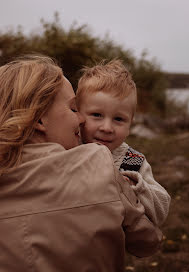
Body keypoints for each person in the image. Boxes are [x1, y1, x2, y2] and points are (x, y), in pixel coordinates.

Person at [0, 54, 162, 272]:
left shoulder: (132, 160)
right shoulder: (97, 164)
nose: (82, 120)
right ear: (39, 119)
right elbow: (148, 242)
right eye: (74, 109)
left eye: (119, 119)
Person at [76, 59, 171, 226]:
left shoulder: (132, 161)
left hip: (108, 246)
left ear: (130, 124)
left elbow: (161, 209)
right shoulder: (69, 147)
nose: (107, 128)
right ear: (77, 113)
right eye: (97, 115)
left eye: (118, 119)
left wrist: (135, 187)